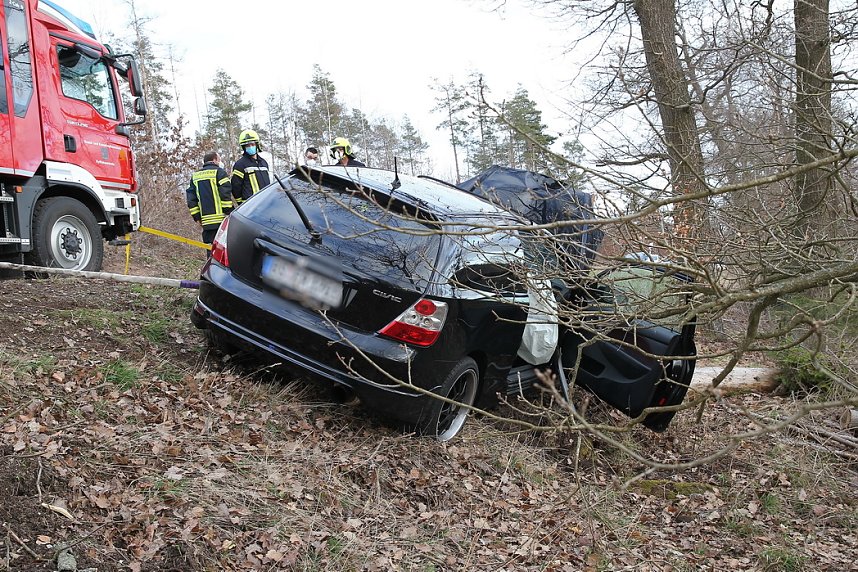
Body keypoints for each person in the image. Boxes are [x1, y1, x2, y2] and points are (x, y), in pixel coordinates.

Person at [186, 151, 233, 244]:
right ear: (214, 160)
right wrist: (229, 212)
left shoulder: (195, 176)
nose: (220, 162)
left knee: (210, 250)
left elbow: (191, 199)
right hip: (221, 220)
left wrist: (197, 217)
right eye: (219, 160)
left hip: (206, 222)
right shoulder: (220, 173)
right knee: (222, 250)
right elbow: (225, 194)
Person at [231, 129, 271, 205]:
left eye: (252, 144)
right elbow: (236, 186)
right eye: (247, 145)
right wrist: (240, 203)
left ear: (257, 145)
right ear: (244, 147)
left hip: (266, 202)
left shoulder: (263, 163)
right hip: (250, 205)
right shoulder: (240, 164)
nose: (250, 147)